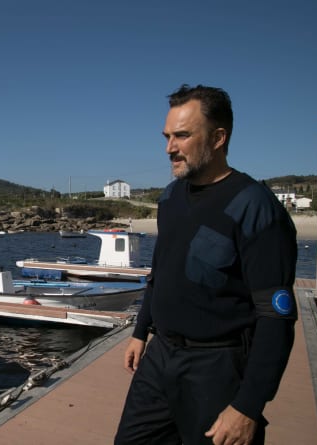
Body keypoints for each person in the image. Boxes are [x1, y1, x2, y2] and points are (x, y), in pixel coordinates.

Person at [114, 84, 298, 445]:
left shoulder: (255, 208)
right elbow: (160, 274)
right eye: (167, 136)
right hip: (160, 357)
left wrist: (248, 405)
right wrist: (141, 331)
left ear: (218, 137)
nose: (169, 148)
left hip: (217, 367)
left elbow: (276, 317)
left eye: (182, 136)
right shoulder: (170, 197)